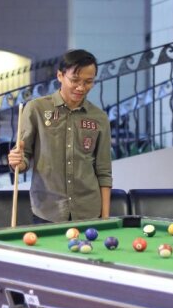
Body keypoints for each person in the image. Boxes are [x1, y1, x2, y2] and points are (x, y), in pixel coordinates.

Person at [7, 49, 113, 223]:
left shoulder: (99, 117)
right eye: (75, 80)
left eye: (88, 82)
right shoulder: (36, 109)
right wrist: (17, 161)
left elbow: (104, 171)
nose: (81, 87)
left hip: (89, 212)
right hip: (47, 210)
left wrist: (106, 218)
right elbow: (24, 156)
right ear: (60, 76)